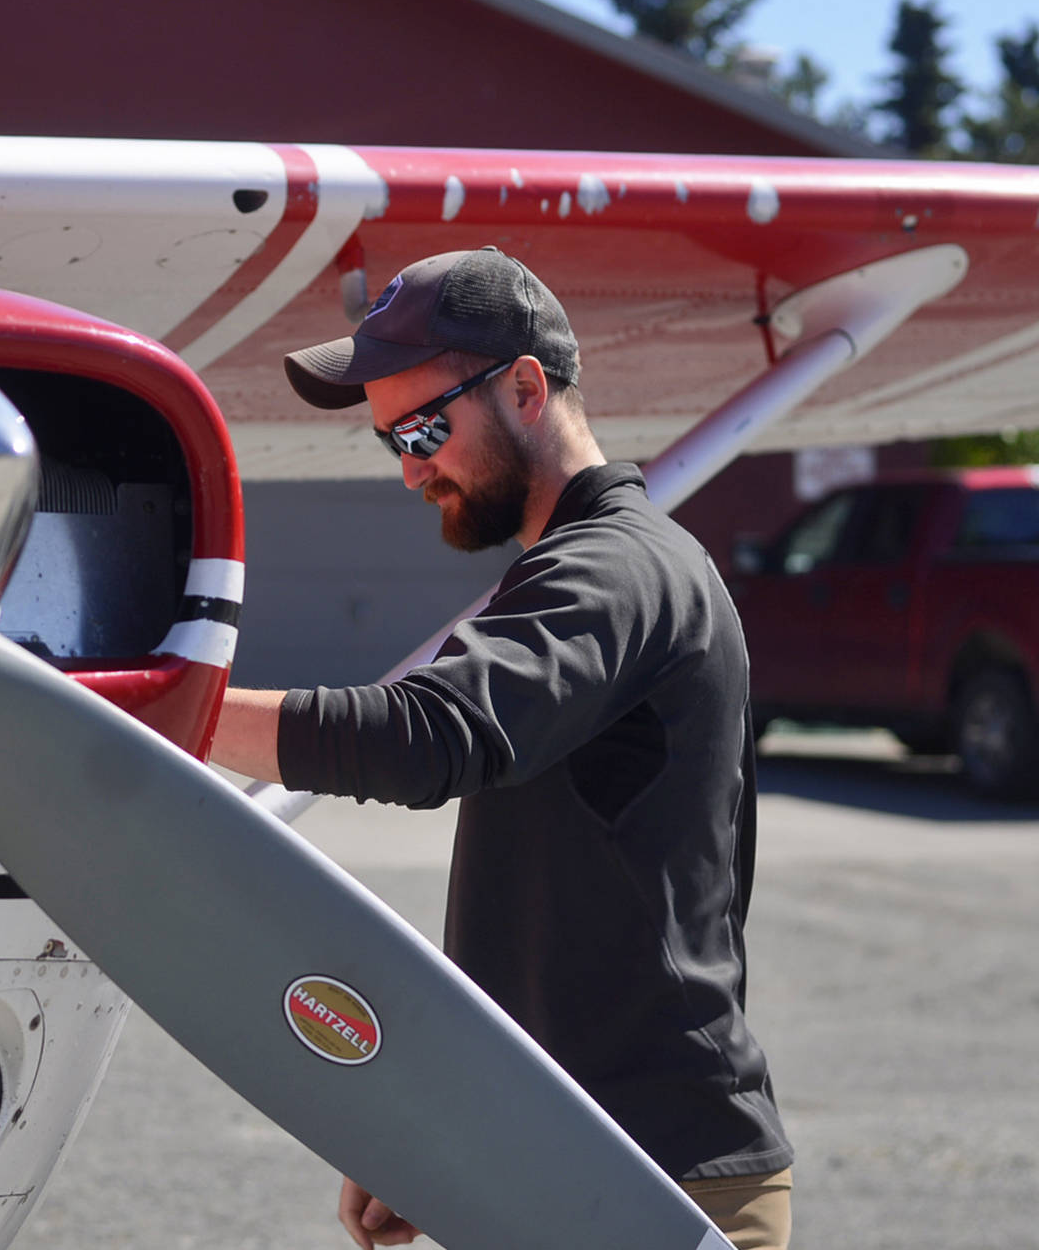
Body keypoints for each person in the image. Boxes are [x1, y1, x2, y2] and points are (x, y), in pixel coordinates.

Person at [209, 247, 794, 1250]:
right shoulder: (579, 572)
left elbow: (424, 738)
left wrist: (163, 709)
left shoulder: (613, 572)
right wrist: (437, 1116)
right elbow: (540, 913)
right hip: (561, 1155)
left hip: (655, 1180)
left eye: (425, 426)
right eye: (390, 436)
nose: (407, 465)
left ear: (525, 387)